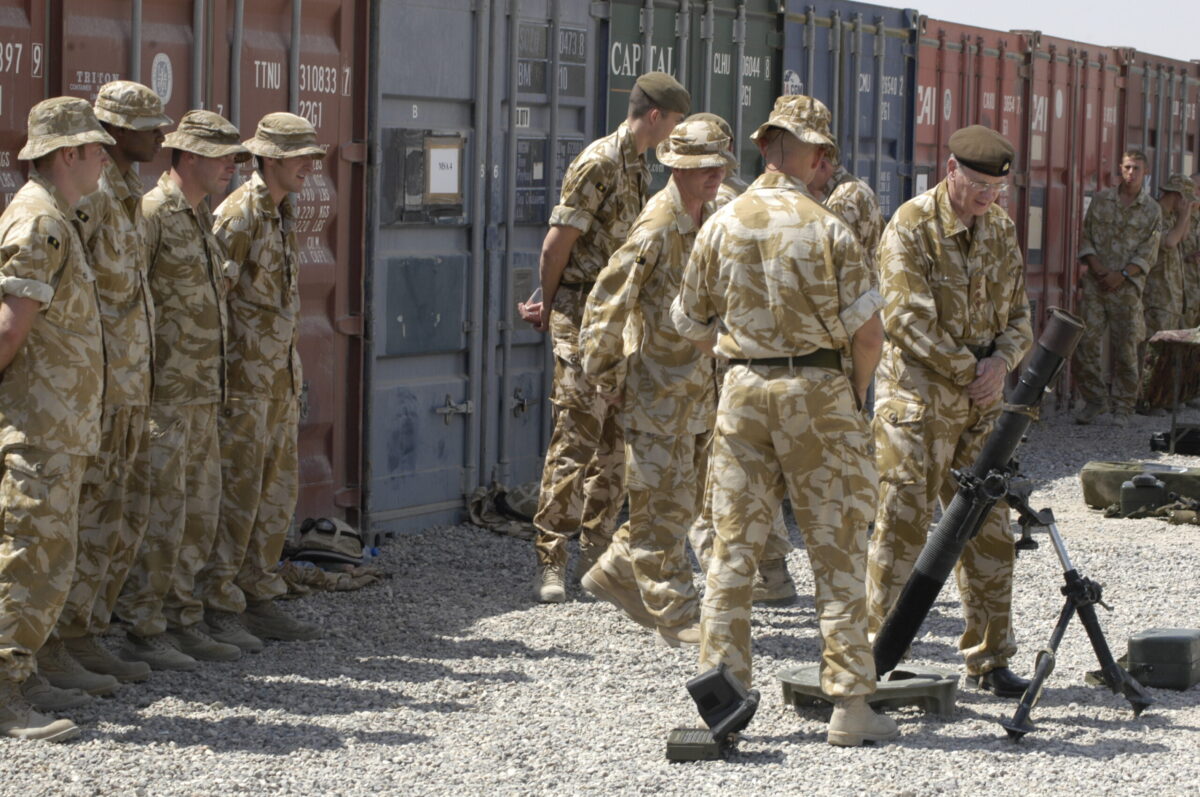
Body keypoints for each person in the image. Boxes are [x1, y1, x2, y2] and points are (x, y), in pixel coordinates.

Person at [673, 95, 894, 746]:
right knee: (837, 545)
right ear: (815, 154)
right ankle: (850, 706)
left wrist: (743, 356)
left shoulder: (721, 223)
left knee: (731, 549)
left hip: (743, 391)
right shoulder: (828, 228)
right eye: (824, 153)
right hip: (819, 390)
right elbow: (871, 337)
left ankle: (722, 704)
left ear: (767, 147)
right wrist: (849, 396)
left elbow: (689, 324)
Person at [867, 125, 1033, 699]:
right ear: (952, 170)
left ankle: (989, 659)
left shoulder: (1001, 231)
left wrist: (1002, 363)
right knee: (903, 529)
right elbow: (905, 320)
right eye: (980, 185)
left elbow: (1020, 318)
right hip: (919, 404)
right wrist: (973, 371)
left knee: (990, 531)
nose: (988, 198)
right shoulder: (911, 226)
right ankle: (879, 657)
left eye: (997, 190)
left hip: (981, 407)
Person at [519, 72, 690, 603]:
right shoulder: (600, 162)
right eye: (677, 121)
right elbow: (556, 245)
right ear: (657, 117)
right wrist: (547, 305)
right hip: (580, 312)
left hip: (618, 318)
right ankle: (552, 557)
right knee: (575, 436)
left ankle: (596, 549)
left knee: (615, 437)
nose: (678, 132)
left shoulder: (642, 165)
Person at [577, 118, 729, 646]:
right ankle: (676, 612)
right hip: (656, 390)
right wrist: (605, 374)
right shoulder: (659, 226)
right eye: (701, 165)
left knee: (682, 502)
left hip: (694, 389)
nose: (713, 173)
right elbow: (607, 299)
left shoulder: (707, 217)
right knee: (661, 506)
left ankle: (618, 567)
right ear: (675, 166)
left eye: (718, 163)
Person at [44, 82, 170, 701]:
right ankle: (56, 645)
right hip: (96, 392)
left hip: (129, 389)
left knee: (116, 519)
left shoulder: (127, 197)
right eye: (148, 126)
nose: (160, 136)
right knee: (84, 519)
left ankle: (87, 632)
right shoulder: (91, 202)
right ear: (114, 133)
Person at [117, 111, 248, 670]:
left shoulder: (197, 217)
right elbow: (130, 304)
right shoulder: (153, 213)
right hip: (165, 397)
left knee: (199, 511)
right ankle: (144, 626)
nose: (231, 168)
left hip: (200, 394)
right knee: (162, 515)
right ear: (188, 157)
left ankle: (184, 618)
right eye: (222, 157)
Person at [0, 97, 112, 742]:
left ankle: (24, 671)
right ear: (69, 154)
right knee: (27, 554)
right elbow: (10, 331)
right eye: (96, 150)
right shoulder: (39, 222)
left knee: (47, 553)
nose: (103, 160)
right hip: (38, 424)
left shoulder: (58, 219)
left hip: (57, 423)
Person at [198, 112, 324, 648]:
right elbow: (213, 304)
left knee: (273, 496)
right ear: (269, 159)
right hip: (243, 385)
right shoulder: (240, 215)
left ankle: (257, 593)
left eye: (311, 158)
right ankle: (219, 603)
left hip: (275, 381)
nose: (309, 168)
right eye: (299, 157)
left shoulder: (282, 211)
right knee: (237, 496)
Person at [1074, 149, 1162, 426]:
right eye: (1126, 167)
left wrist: (1122, 274)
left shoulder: (1151, 210)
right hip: (1096, 284)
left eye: (1136, 168)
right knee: (1084, 343)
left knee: (1126, 348)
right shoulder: (1101, 200)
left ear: (1145, 172)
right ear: (1120, 169)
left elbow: (1149, 251)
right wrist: (1100, 270)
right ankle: (1095, 400)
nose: (1131, 173)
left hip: (1127, 289)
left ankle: (1123, 406)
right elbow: (1086, 236)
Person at [1143, 174, 1196, 339]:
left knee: (1166, 351)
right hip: (1156, 298)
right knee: (1154, 353)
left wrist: (1185, 215)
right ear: (1178, 195)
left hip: (1170, 300)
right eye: (1186, 200)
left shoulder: (1172, 216)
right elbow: (1169, 242)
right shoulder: (1153, 214)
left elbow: (1184, 235)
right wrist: (1182, 217)